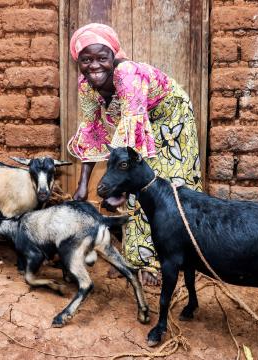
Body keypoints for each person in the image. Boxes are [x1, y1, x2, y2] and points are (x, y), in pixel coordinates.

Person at [68, 23, 202, 285]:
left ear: (113, 56)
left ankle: (171, 259)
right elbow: (92, 131)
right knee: (136, 189)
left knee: (163, 188)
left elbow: (131, 130)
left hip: (171, 119)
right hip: (138, 123)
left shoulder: (127, 75)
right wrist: (82, 186)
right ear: (78, 62)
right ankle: (138, 259)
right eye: (86, 60)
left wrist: (119, 189)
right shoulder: (85, 85)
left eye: (101, 58)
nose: (94, 65)